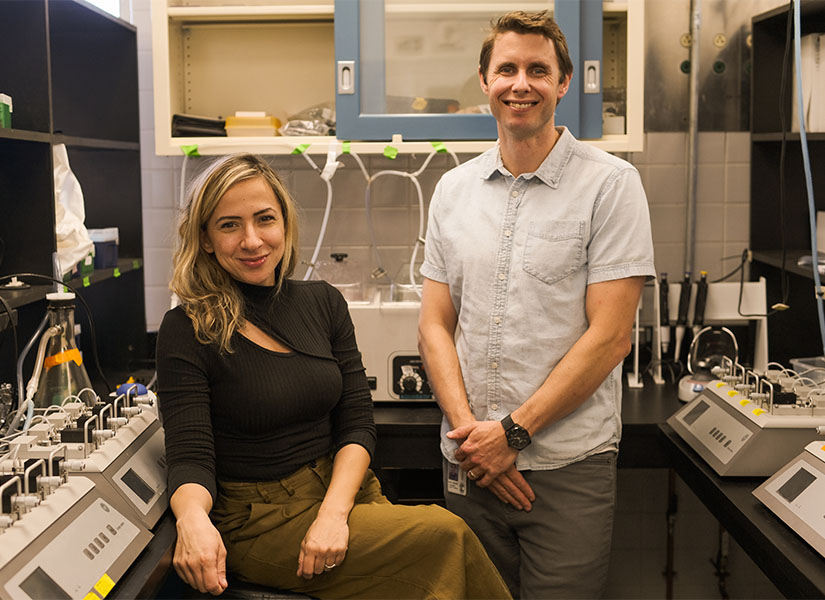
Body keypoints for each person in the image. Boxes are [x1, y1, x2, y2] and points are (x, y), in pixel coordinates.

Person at [156, 153, 511, 599]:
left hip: (345, 493)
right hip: (262, 519)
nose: (252, 240)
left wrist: (333, 514)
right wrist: (192, 521)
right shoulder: (188, 327)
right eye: (229, 225)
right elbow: (190, 454)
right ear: (205, 238)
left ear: (284, 223)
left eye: (265, 219)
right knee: (445, 534)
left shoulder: (322, 302)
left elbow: (357, 422)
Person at [418, 10, 656, 599]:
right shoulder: (452, 190)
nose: (520, 83)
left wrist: (512, 436)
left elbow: (610, 336)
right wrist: (475, 439)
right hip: (469, 462)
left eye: (537, 70)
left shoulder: (611, 185)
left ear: (563, 82)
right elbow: (434, 324)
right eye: (507, 69)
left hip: (566, 467)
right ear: (484, 80)